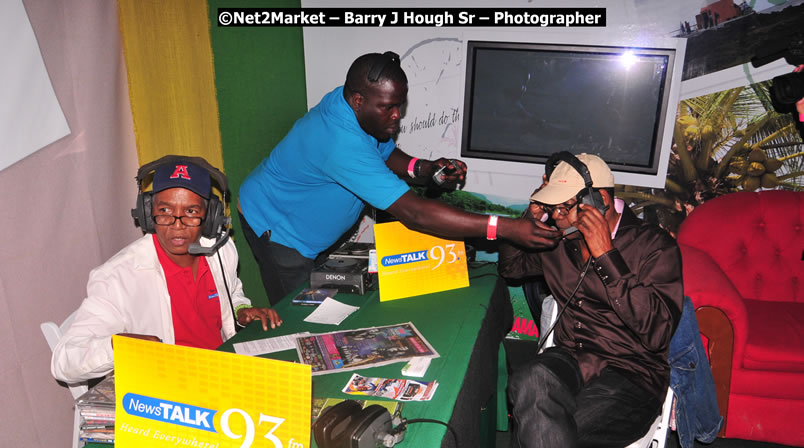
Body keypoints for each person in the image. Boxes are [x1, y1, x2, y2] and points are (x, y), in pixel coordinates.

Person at [238, 51, 561, 304]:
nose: (397, 116)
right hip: (279, 232)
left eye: (400, 105)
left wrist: (426, 169)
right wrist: (505, 228)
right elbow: (415, 213)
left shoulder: (353, 105)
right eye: (389, 107)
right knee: (301, 317)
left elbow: (381, 150)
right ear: (358, 101)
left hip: (302, 222)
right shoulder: (339, 143)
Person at [494, 153, 683, 448]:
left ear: (598, 201)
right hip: (571, 359)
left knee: (537, 441)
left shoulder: (654, 246)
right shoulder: (559, 241)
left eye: (562, 207)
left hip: (631, 376)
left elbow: (658, 332)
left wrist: (607, 256)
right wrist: (527, 221)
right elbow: (512, 268)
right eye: (551, 208)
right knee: (530, 378)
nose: (555, 217)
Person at [51, 157, 282, 384]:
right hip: (168, 388)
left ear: (210, 217)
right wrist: (118, 345)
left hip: (223, 371)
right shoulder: (118, 277)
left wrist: (241, 311)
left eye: (191, 211)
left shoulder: (220, 250)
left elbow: (232, 293)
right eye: (165, 210)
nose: (177, 225)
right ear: (147, 213)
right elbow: (63, 362)